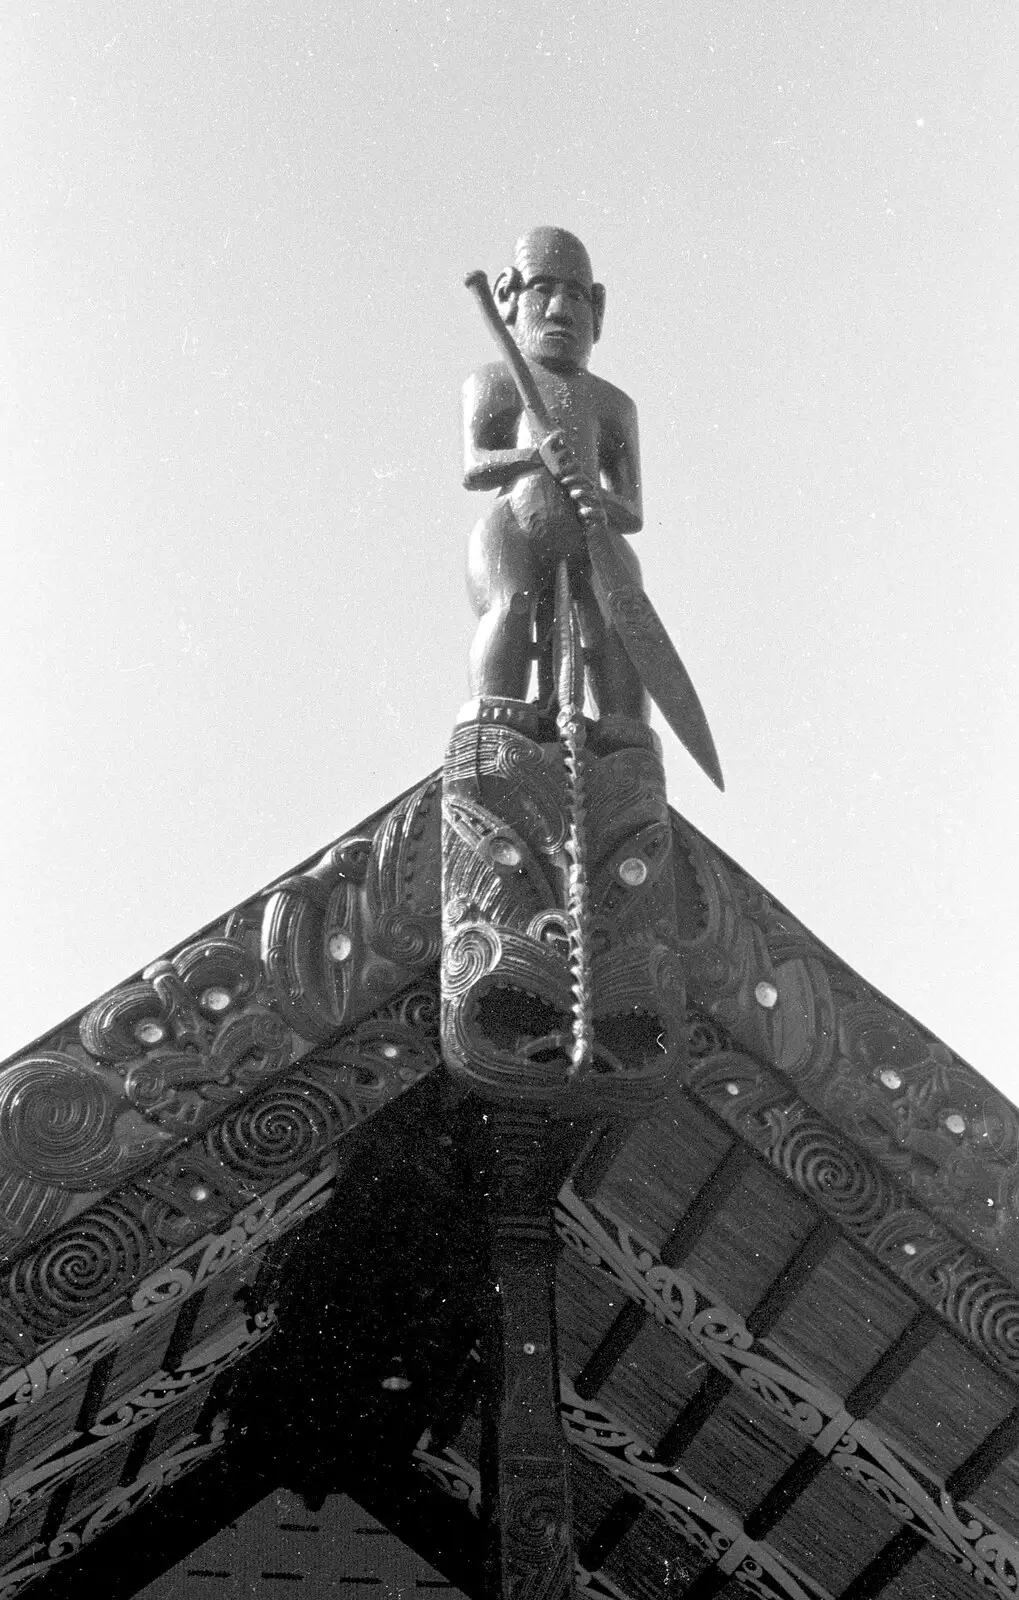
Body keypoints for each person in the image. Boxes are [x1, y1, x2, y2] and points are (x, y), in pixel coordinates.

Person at [462, 227, 649, 723]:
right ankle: (495, 715)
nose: (560, 310)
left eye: (577, 295)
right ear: (507, 295)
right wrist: (532, 458)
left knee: (619, 625)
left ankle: (626, 729)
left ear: (599, 310)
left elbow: (631, 512)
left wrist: (596, 496)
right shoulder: (495, 380)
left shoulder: (612, 404)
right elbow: (476, 465)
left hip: (593, 537)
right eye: (543, 289)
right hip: (516, 526)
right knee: (511, 604)